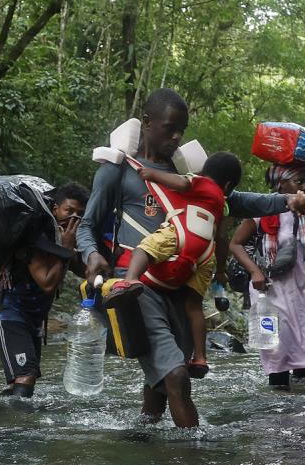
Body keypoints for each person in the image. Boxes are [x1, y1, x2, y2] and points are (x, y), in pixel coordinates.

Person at [76, 89, 305, 427]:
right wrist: (91, 254)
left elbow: (238, 201)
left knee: (157, 386)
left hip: (182, 287)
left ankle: (141, 441)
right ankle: (193, 463)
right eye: (170, 128)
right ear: (147, 122)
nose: (176, 138)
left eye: (181, 131)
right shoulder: (118, 171)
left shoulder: (186, 172)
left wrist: (288, 201)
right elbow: (87, 226)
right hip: (138, 286)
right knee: (176, 376)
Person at [103, 151, 245, 379]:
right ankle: (200, 357)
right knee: (194, 306)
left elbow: (181, 183)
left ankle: (129, 280)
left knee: (145, 248)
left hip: (182, 234)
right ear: (228, 186)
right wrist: (219, 271)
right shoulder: (221, 203)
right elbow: (221, 239)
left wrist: (152, 174)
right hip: (205, 254)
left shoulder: (202, 183)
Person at [230, 160, 305, 389]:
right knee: (276, 354)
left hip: (303, 293)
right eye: (298, 182)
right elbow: (235, 244)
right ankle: (279, 407)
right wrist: (254, 272)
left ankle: (301, 391)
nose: (304, 187)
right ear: (281, 186)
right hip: (269, 293)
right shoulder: (261, 212)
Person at [0, 184, 82, 397]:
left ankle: (5, 420)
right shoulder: (34, 240)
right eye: (69, 211)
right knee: (26, 375)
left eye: (80, 214)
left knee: (21, 379)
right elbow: (47, 283)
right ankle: (21, 425)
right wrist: (66, 249)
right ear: (55, 209)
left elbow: (82, 269)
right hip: (9, 316)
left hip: (33, 321)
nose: (74, 218)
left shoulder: (61, 239)